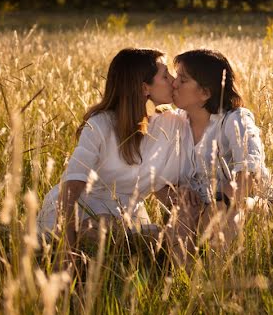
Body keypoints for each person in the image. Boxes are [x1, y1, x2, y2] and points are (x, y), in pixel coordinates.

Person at [37, 48, 196, 247]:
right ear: (145, 88)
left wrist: (185, 199)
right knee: (105, 229)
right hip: (77, 214)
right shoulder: (100, 124)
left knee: (161, 238)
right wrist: (67, 249)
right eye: (165, 76)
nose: (173, 81)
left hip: (126, 217)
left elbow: (162, 186)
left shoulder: (170, 124)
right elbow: (72, 185)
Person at [171, 49, 273, 237]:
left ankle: (217, 266)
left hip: (244, 200)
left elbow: (249, 174)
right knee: (182, 219)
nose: (174, 83)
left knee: (225, 216)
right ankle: (183, 267)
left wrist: (219, 204)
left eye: (183, 79)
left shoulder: (236, 120)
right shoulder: (176, 122)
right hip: (200, 205)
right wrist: (181, 191)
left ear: (205, 92)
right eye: (175, 76)